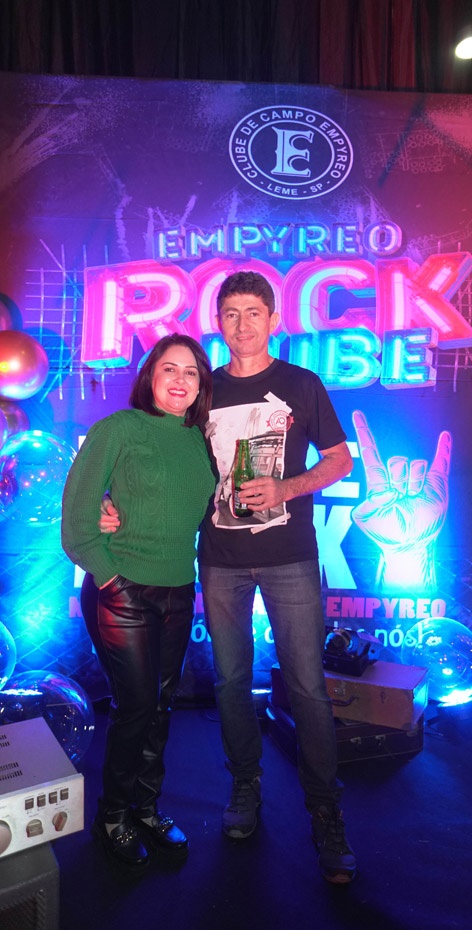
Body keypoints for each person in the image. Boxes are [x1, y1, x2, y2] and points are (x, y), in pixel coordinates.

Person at [101, 271, 356, 884]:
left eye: (254, 312)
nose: (243, 324)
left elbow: (341, 460)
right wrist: (114, 505)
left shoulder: (301, 383)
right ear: (219, 322)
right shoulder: (203, 391)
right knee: (231, 681)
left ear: (274, 320)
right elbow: (161, 457)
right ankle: (245, 787)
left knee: (307, 686)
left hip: (291, 555)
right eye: (232, 313)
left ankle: (326, 812)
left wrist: (288, 487)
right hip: (219, 561)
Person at [61, 334, 215, 871]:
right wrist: (111, 578)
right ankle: (111, 817)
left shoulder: (200, 441)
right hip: (121, 588)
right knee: (137, 706)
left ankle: (145, 808)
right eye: (169, 368)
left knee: (162, 704)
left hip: (179, 589)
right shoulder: (119, 429)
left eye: (191, 372)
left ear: (201, 385)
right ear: (150, 376)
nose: (180, 380)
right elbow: (77, 523)